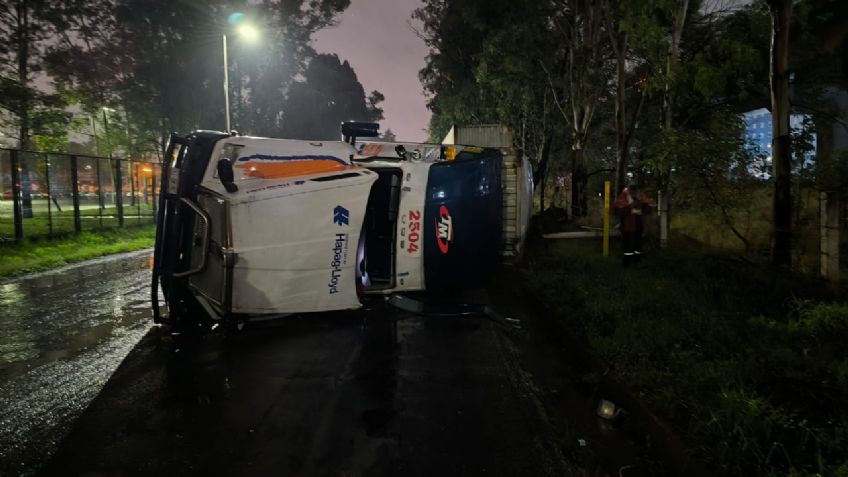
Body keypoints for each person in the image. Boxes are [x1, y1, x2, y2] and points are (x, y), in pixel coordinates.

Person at [614, 186, 653, 265]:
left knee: (638, 244)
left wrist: (641, 210)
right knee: (628, 245)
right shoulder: (623, 197)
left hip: (639, 226)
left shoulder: (641, 196)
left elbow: (648, 209)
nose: (633, 193)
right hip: (628, 226)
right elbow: (618, 210)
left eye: (635, 191)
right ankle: (627, 262)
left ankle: (637, 260)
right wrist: (631, 210)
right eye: (631, 191)